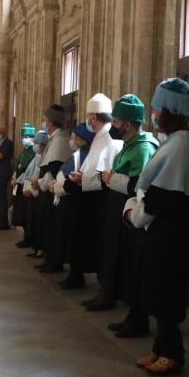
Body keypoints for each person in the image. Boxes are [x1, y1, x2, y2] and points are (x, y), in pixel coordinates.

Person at [123, 78, 189, 377]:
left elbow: (167, 191)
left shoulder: (182, 144)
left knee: (166, 292)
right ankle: (161, 347)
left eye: (157, 107)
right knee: (157, 288)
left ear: (169, 110)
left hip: (169, 231)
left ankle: (172, 353)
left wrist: (136, 211)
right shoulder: (176, 140)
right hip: (161, 230)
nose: (154, 112)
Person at [94, 95, 159, 339]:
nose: (115, 126)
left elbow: (140, 185)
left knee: (135, 266)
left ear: (128, 125)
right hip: (118, 212)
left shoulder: (143, 146)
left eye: (117, 121)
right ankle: (131, 314)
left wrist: (113, 178)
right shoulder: (129, 145)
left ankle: (138, 318)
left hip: (133, 216)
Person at [60, 94, 122, 289]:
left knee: (99, 245)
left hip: (98, 201)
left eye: (90, 117)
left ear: (94, 117)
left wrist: (82, 179)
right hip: (86, 197)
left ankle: (104, 288)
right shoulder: (99, 138)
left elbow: (107, 177)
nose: (89, 122)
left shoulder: (111, 139)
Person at [54, 122, 96, 289]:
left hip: (76, 201)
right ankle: (73, 273)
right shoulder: (79, 153)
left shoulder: (88, 155)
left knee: (76, 239)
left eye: (74, 135)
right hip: (68, 198)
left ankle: (76, 275)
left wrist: (61, 185)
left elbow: (78, 178)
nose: (71, 138)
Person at [33, 105, 73, 273]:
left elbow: (55, 168)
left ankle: (54, 261)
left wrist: (41, 183)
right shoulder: (54, 138)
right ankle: (49, 258)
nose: (44, 123)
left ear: (51, 122)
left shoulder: (60, 139)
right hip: (47, 189)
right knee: (48, 226)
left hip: (53, 191)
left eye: (45, 120)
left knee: (54, 227)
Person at [18, 130, 48, 254]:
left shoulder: (45, 157)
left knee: (38, 222)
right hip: (31, 189)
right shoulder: (37, 156)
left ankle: (39, 248)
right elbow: (28, 172)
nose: (35, 145)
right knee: (30, 219)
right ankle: (34, 244)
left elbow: (39, 175)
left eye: (38, 143)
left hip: (39, 191)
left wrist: (33, 187)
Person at [12, 124, 38, 238]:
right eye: (23, 136)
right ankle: (25, 236)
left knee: (27, 211)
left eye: (27, 136)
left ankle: (28, 237)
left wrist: (18, 180)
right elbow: (17, 166)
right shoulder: (24, 151)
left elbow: (28, 170)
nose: (24, 139)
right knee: (20, 212)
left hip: (26, 183)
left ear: (33, 137)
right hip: (18, 183)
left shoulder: (34, 151)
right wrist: (14, 177)